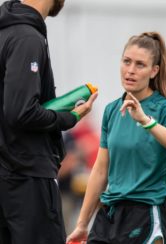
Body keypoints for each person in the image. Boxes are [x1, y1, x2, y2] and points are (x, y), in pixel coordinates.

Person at [67, 32, 166, 244]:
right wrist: (81, 224)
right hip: (109, 214)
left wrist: (146, 121)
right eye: (127, 61)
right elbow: (100, 169)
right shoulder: (111, 110)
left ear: (154, 71)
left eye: (140, 64)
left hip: (146, 214)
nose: (131, 70)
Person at [0, 1, 98, 244]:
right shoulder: (26, 37)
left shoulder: (7, 31)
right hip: (26, 177)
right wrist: (70, 116)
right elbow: (21, 112)